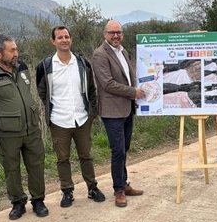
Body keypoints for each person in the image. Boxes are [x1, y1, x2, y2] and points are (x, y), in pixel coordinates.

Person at [0, 34, 49, 220]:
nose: (16, 53)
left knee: (36, 164)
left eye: (16, 49)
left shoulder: (22, 68)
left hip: (31, 127)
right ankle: (17, 203)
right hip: (8, 132)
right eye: (12, 50)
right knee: (11, 168)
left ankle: (38, 200)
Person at [36, 26, 106, 208]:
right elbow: (42, 91)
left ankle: (92, 188)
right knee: (62, 159)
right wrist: (51, 110)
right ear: (53, 41)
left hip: (82, 118)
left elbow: (91, 89)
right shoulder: (46, 66)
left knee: (86, 155)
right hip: (59, 120)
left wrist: (92, 113)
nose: (64, 40)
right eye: (60, 37)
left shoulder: (82, 63)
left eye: (66, 37)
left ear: (71, 39)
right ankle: (67, 191)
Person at [91, 20, 145, 207]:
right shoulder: (100, 54)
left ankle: (124, 183)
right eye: (112, 32)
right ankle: (118, 191)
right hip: (112, 111)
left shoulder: (123, 51)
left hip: (127, 108)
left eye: (119, 32)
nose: (116, 36)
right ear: (105, 34)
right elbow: (107, 84)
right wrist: (134, 92)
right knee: (118, 151)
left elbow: (129, 77)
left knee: (125, 148)